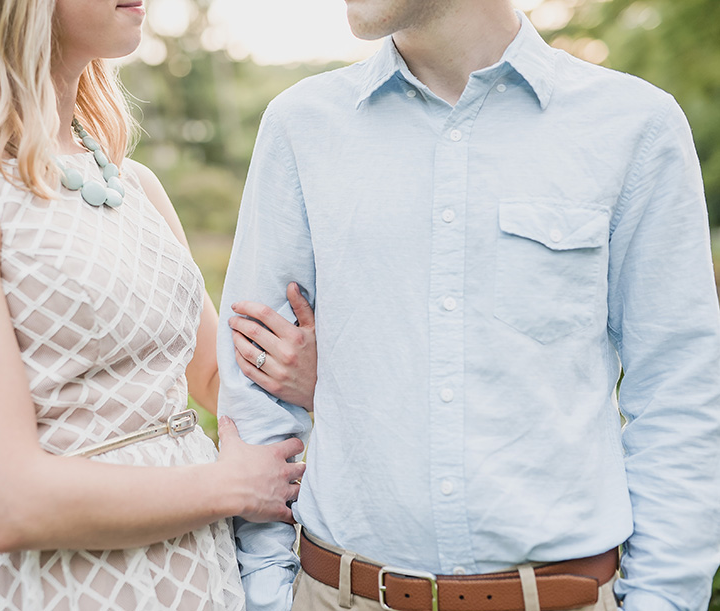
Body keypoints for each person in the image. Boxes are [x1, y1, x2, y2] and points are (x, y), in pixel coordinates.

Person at [218, 1, 720, 610]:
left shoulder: (634, 124)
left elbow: (680, 394)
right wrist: (268, 596)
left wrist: (662, 602)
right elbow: (255, 398)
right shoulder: (302, 125)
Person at [0, 0, 319, 608]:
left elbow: (210, 375)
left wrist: (310, 374)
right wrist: (227, 486)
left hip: (200, 577)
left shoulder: (133, 185)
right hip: (64, 584)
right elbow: (10, 502)